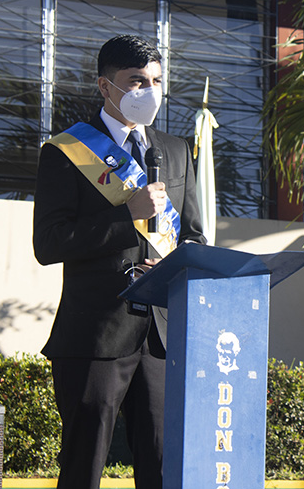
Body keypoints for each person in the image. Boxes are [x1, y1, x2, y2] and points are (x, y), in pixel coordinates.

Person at [33, 34, 205, 489]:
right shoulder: (66, 152)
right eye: (136, 81)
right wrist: (125, 216)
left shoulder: (175, 150)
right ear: (105, 87)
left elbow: (193, 238)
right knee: (83, 468)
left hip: (162, 337)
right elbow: (49, 244)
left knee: (164, 470)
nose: (149, 90)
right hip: (96, 334)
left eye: (156, 80)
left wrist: (172, 273)